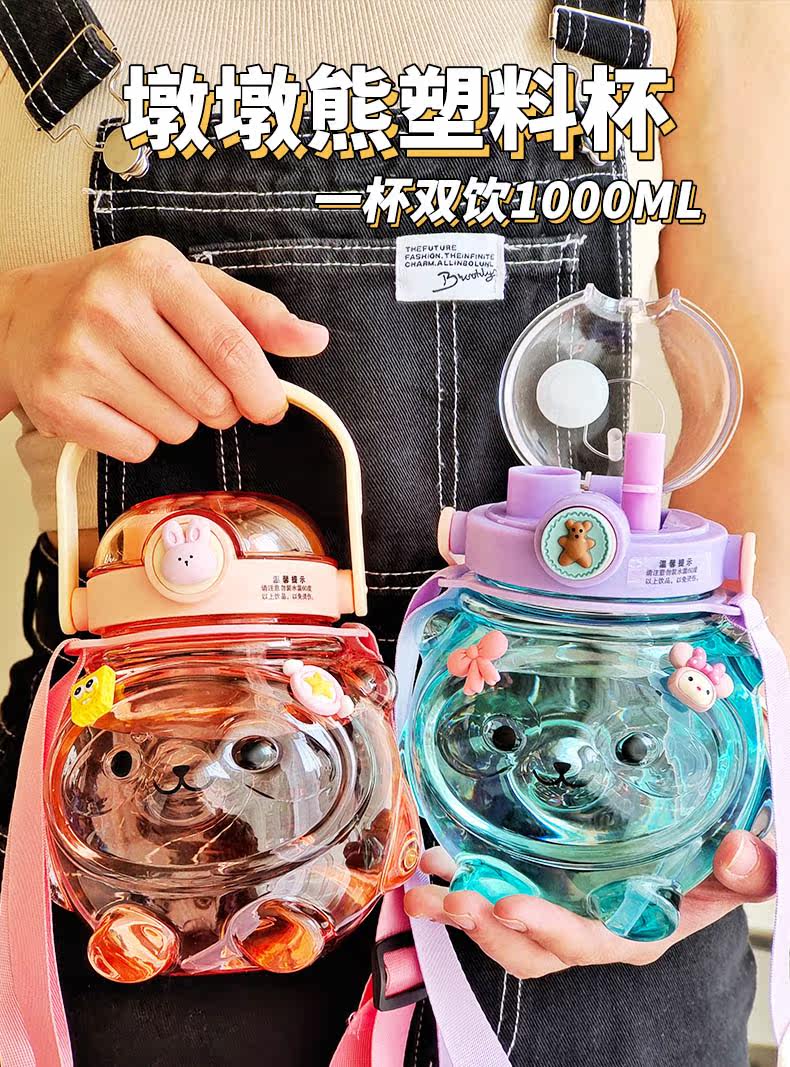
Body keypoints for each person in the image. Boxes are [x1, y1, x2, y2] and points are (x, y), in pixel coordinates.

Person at [0, 2, 782, 1065]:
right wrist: (13, 325)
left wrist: (730, 793)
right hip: (153, 815)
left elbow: (765, 385)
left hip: (595, 817)